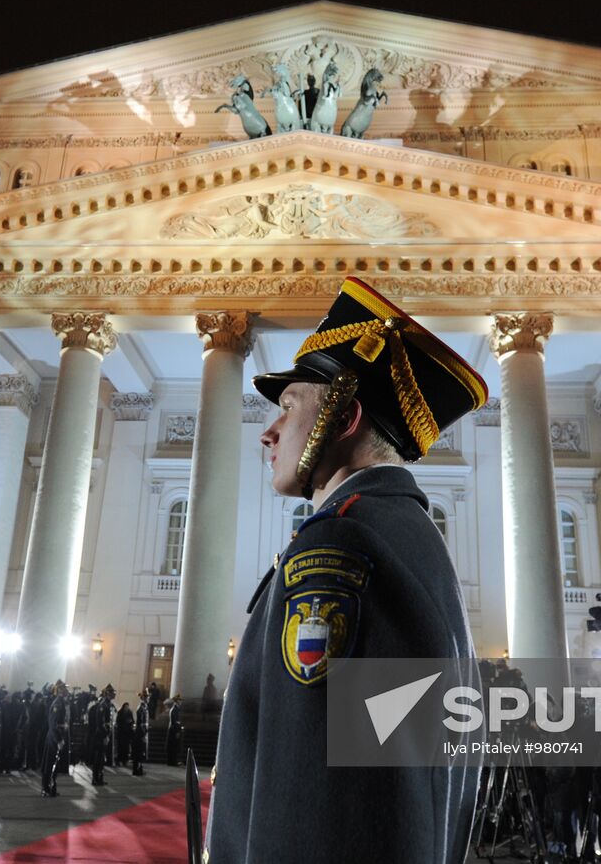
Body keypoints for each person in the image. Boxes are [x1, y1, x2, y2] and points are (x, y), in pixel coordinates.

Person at [207, 277, 487, 863]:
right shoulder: (402, 532)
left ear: (344, 416)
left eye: (287, 408)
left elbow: (308, 796)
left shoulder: (339, 546)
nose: (269, 431)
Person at [41, 681, 68, 797]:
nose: (67, 691)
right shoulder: (57, 704)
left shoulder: (61, 702)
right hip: (53, 738)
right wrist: (58, 740)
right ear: (60, 690)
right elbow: (54, 724)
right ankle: (46, 788)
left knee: (54, 764)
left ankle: (51, 788)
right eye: (64, 689)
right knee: (50, 764)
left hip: (55, 737)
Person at [87, 684, 116, 786]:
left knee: (101, 758)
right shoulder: (103, 705)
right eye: (112, 693)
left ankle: (99, 777)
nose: (114, 694)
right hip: (100, 736)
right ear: (107, 694)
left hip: (104, 735)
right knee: (98, 758)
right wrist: (105, 736)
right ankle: (95, 779)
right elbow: (100, 723)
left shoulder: (108, 705)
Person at [132, 690, 150, 776]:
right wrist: (143, 734)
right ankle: (136, 769)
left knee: (141, 752)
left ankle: (140, 768)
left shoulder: (145, 707)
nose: (148, 698)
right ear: (144, 698)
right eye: (147, 697)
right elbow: (140, 723)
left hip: (143, 732)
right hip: (140, 733)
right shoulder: (141, 708)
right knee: (138, 752)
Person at [165, 695, 184, 766]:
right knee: (173, 746)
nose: (181, 702)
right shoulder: (174, 709)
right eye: (180, 700)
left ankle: (173, 761)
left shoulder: (176, 709)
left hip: (174, 729)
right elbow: (175, 721)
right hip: (173, 730)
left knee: (174, 746)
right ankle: (172, 762)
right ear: (177, 701)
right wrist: (177, 731)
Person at [114, 701, 134, 768]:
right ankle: (119, 760)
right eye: (126, 707)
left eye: (127, 707)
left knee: (126, 748)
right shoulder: (120, 712)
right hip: (121, 733)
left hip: (127, 733)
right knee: (120, 748)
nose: (127, 708)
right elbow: (118, 721)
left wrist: (130, 722)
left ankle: (125, 761)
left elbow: (132, 721)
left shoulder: (129, 712)